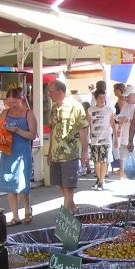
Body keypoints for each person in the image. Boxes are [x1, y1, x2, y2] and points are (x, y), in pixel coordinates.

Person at [0, 87, 38, 225]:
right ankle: (15, 216)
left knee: (22, 183)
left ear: (21, 99)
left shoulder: (29, 114)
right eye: (9, 102)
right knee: (10, 183)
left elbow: (32, 135)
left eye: (14, 102)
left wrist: (17, 130)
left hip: (23, 152)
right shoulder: (5, 113)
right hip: (8, 152)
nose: (12, 105)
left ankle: (27, 209)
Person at [47, 80, 88, 212]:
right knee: (60, 183)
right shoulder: (54, 108)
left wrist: (84, 152)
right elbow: (53, 130)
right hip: (55, 153)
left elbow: (83, 130)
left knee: (68, 184)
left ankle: (66, 212)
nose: (49, 94)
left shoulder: (76, 107)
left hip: (70, 152)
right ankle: (72, 207)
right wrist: (49, 152)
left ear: (60, 92)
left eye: (51, 92)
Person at [86, 90, 116, 191]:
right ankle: (100, 180)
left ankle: (101, 181)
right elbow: (87, 125)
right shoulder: (90, 110)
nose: (102, 100)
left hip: (106, 139)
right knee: (96, 161)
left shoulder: (109, 110)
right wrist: (86, 138)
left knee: (104, 161)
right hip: (94, 139)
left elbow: (113, 124)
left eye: (104, 97)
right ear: (96, 98)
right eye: (100, 97)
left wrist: (115, 138)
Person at [115, 86, 135, 180]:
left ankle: (134, 176)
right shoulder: (126, 105)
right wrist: (119, 119)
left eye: (128, 96)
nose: (126, 98)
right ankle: (122, 176)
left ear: (133, 95)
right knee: (123, 157)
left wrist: (127, 119)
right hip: (125, 136)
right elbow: (121, 116)